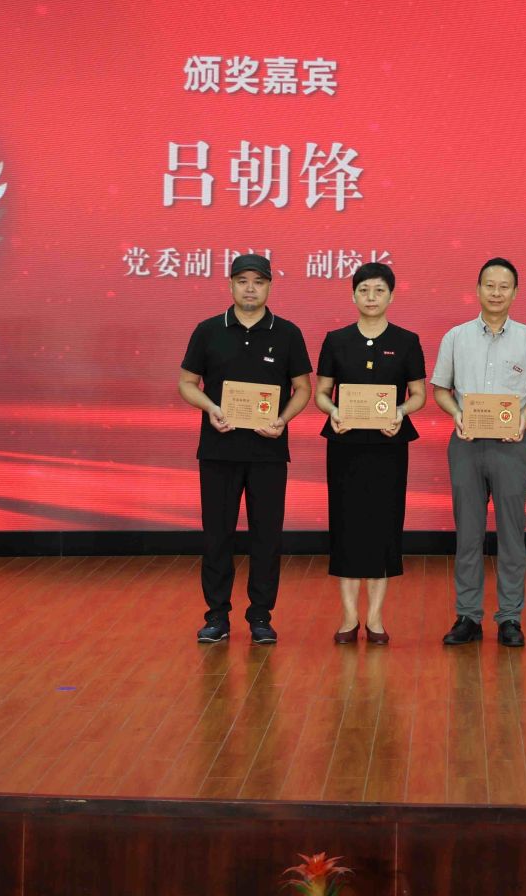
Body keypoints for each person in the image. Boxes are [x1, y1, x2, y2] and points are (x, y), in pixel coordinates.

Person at [177, 253, 312, 645]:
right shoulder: (208, 330)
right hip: (218, 450)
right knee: (216, 536)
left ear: (269, 286)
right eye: (242, 281)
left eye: (258, 281)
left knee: (266, 537)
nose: (250, 289)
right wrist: (211, 408)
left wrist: (282, 419)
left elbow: (302, 388)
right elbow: (187, 383)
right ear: (230, 285)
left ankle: (261, 616)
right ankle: (217, 616)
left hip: (269, 452)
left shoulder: (287, 333)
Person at [430, 258, 526, 649]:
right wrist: (456, 414)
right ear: (478, 289)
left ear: (515, 293)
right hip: (466, 444)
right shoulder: (455, 337)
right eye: (489, 285)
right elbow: (440, 389)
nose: (496, 293)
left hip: (511, 446)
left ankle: (510, 618)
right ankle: (468, 615)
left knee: (511, 535)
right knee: (468, 534)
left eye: (504, 286)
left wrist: (524, 416)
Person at [313, 262, 426, 647]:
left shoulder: (407, 341)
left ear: (391, 296)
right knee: (346, 527)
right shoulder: (336, 340)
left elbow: (418, 395)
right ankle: (349, 617)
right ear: (353, 296)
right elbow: (322, 393)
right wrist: (333, 411)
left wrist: (400, 412)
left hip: (388, 448)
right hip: (345, 445)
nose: (371, 297)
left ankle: (375, 618)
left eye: (379, 290)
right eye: (364, 290)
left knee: (382, 527)